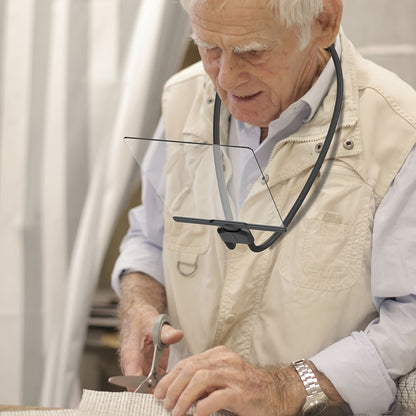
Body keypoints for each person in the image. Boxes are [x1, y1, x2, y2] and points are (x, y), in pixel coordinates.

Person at [112, 0, 416, 414]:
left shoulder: (398, 132)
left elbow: (410, 319)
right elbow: (148, 238)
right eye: (209, 48)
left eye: (252, 52)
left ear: (323, 22)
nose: (226, 78)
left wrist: (287, 386)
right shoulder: (183, 98)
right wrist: (138, 305)